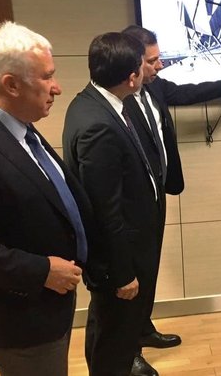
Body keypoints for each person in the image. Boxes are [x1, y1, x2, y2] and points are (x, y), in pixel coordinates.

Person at [0, 21, 91, 376]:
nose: (57, 87)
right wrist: (42, 272)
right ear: (11, 84)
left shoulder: (19, 128)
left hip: (49, 304)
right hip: (20, 316)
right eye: (47, 77)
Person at [120, 25, 221, 352]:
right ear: (132, 63)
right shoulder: (118, 102)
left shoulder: (154, 87)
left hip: (157, 193)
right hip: (132, 203)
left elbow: (186, 93)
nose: (160, 65)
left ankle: (143, 328)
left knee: (148, 267)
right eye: (153, 61)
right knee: (131, 274)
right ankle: (128, 348)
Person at [62, 32, 161, 376]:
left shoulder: (92, 102)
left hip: (125, 248)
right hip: (118, 257)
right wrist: (122, 273)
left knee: (107, 331)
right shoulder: (98, 125)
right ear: (132, 77)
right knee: (115, 341)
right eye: (143, 65)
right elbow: (106, 209)